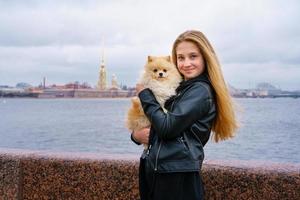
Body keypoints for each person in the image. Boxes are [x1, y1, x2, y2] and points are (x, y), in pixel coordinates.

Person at [131, 30, 238, 200]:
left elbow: (167, 128)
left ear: (205, 57)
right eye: (181, 58)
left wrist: (145, 95)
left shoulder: (200, 91)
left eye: (193, 56)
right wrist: (136, 136)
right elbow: (158, 122)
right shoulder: (183, 88)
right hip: (162, 170)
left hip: (176, 176)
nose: (186, 63)